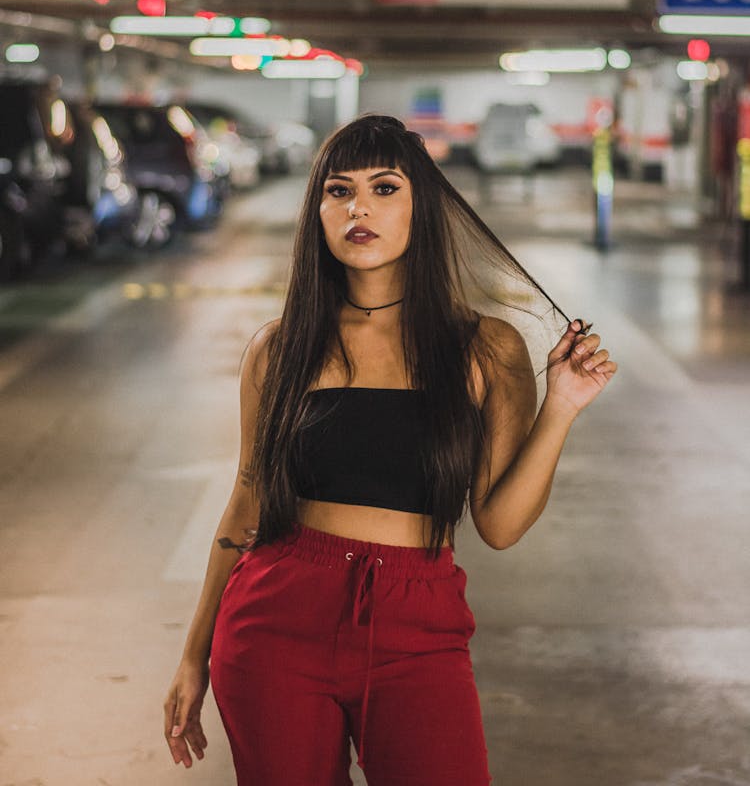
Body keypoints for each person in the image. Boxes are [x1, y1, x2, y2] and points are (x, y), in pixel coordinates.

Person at [163, 114, 617, 785]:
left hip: (418, 622)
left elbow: (498, 524)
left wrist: (562, 408)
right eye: (338, 191)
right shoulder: (280, 347)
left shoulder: (485, 348)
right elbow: (247, 502)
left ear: (421, 207)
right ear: (317, 211)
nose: (358, 209)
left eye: (384, 188)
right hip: (275, 619)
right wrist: (194, 655)